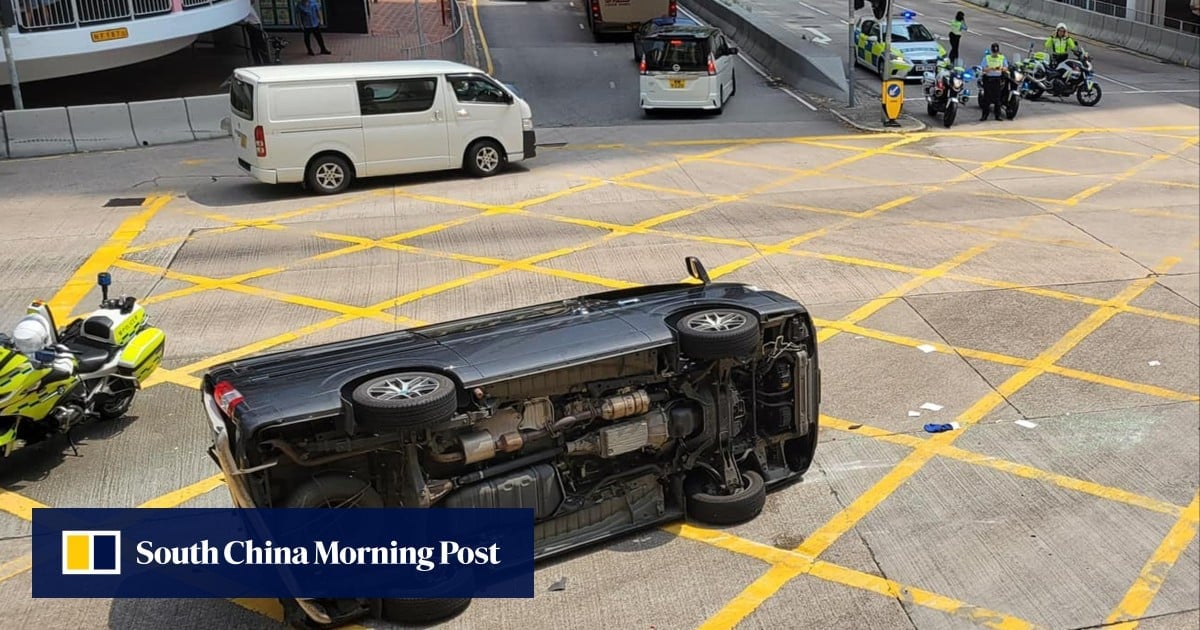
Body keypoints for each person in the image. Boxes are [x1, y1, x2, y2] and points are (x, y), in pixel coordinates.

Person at [1044, 22, 1078, 89]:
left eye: (1063, 31)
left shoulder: (1066, 39)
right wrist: (1051, 37)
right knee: (1054, 73)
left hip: (1063, 57)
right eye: (1060, 31)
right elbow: (1046, 45)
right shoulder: (1054, 38)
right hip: (1055, 57)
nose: (1061, 33)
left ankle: (1062, 87)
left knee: (1063, 73)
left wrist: (1069, 38)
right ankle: (1052, 87)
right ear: (1057, 31)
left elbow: (1073, 47)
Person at [979, 42, 1007, 121]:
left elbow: (1006, 68)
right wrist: (990, 69)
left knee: (997, 99)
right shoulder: (987, 58)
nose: (995, 53)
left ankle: (997, 116)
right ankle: (984, 116)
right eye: (994, 52)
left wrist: (1001, 68)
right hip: (988, 79)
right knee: (987, 99)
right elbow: (982, 68)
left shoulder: (1002, 58)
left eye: (996, 52)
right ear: (991, 50)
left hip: (997, 80)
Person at [241, 1, 270, 65]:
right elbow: (246, 20)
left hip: (254, 26)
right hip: (254, 26)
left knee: (255, 46)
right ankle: (265, 62)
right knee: (260, 45)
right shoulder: (247, 8)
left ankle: (258, 62)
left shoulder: (248, 7)